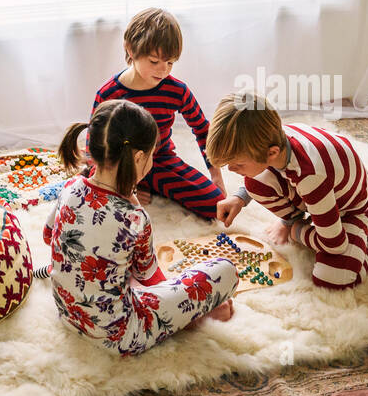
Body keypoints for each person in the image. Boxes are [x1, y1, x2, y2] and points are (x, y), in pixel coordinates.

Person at [43, 99, 236, 356]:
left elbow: (48, 236)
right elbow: (151, 280)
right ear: (138, 157)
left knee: (114, 263)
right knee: (225, 270)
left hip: (69, 314)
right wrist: (190, 304)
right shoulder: (134, 218)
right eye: (153, 155)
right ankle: (193, 319)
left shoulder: (70, 187)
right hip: (121, 336)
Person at [208, 91, 368, 290]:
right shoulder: (269, 137)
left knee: (333, 278)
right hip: (318, 194)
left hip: (352, 208)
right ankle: (298, 221)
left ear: (271, 153)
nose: (231, 169)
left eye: (237, 164)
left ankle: (367, 239)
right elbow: (261, 174)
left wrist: (297, 232)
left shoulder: (310, 176)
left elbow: (335, 245)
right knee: (254, 183)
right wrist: (240, 198)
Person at [91, 8, 225, 220]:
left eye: (170, 63)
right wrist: (124, 184)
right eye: (154, 61)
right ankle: (134, 188)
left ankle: (151, 185)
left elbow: (202, 129)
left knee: (216, 204)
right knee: (95, 194)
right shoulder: (109, 93)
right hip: (120, 164)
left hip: (160, 161)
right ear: (130, 49)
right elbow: (96, 142)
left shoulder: (177, 90)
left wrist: (215, 174)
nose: (163, 70)